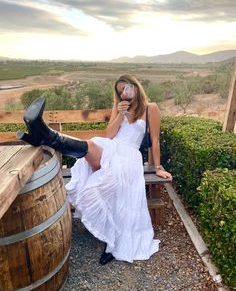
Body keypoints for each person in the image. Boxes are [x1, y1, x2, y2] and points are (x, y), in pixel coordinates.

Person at [17, 74, 172, 265]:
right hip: (111, 148)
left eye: (126, 88)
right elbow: (109, 134)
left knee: (98, 186)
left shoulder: (151, 109)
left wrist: (157, 167)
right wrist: (120, 114)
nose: (124, 93)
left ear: (136, 87)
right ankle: (46, 136)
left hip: (129, 156)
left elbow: (155, 140)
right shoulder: (119, 107)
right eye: (120, 91)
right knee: (91, 145)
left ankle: (113, 242)